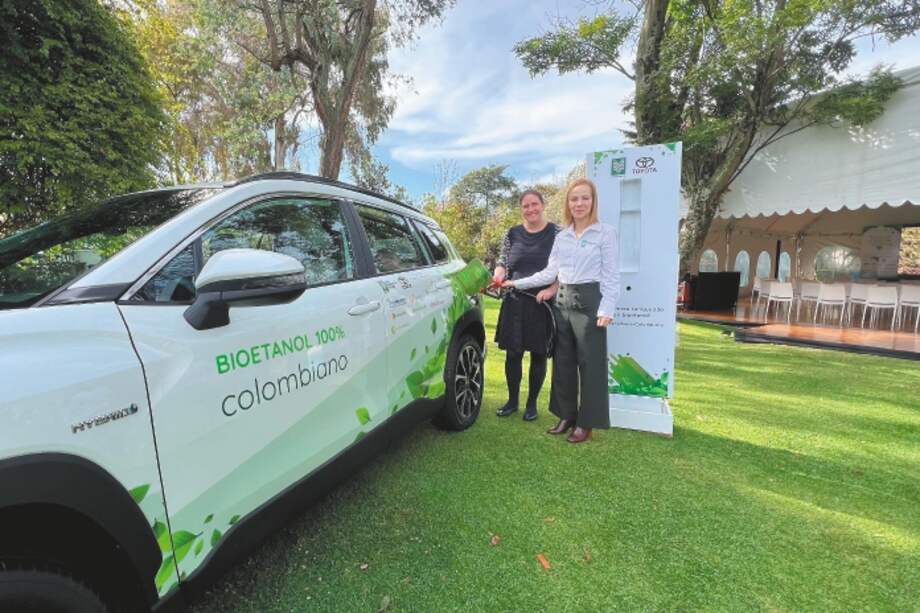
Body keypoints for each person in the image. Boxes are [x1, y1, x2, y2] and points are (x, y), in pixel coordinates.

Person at [504, 178, 620, 443]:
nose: (579, 204)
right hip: (562, 301)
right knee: (563, 361)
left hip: (590, 301)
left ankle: (586, 422)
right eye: (574, 199)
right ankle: (566, 415)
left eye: (584, 198)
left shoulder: (605, 233)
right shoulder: (562, 236)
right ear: (568, 203)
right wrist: (515, 282)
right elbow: (549, 272)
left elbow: (612, 276)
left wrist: (607, 308)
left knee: (590, 365)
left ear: (593, 201)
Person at [492, 190, 559, 421]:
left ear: (543, 205)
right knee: (513, 353)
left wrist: (551, 289)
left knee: (538, 355)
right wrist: (498, 275)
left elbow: (565, 268)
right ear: (521, 209)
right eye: (526, 206)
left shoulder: (557, 233)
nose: (530, 209)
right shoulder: (512, 233)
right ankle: (512, 401)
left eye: (534, 204)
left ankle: (532, 405)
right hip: (514, 301)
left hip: (542, 303)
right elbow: (502, 261)